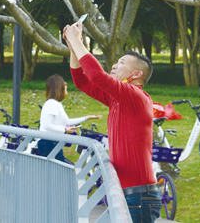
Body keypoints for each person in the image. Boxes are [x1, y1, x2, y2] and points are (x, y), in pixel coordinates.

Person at [63, 20, 160, 223]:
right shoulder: (118, 100)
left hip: (138, 197)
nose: (115, 65)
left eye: (122, 63)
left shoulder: (136, 97)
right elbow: (82, 81)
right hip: (127, 195)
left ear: (137, 74)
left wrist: (77, 40)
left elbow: (97, 76)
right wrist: (73, 48)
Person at [37, 74, 101, 163]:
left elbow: (67, 122)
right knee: (58, 169)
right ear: (59, 88)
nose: (66, 88)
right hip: (48, 143)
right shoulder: (51, 103)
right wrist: (65, 131)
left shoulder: (56, 104)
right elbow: (46, 125)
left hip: (53, 142)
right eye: (65, 87)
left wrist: (86, 118)